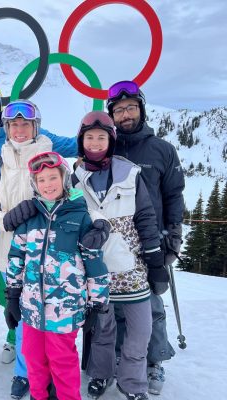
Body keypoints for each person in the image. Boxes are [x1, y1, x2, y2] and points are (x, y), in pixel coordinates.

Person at [0, 82, 78, 366]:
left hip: (43, 248)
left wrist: (104, 140)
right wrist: (3, 219)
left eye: (25, 124)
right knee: (8, 297)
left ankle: (37, 361)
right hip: (2, 235)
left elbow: (75, 152)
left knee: (40, 304)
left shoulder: (47, 152)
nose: (20, 129)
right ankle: (18, 341)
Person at [73, 111, 165, 400]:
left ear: (111, 141)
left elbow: (146, 217)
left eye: (102, 137)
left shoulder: (129, 173)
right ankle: (101, 375)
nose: (96, 143)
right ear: (82, 141)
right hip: (96, 271)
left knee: (139, 332)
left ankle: (131, 383)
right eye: (90, 137)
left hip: (131, 268)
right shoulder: (75, 178)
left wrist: (155, 259)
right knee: (102, 331)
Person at [5, 151, 110, 400]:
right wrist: (11, 294)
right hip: (31, 308)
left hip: (65, 311)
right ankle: (38, 396)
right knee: (33, 359)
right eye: (41, 180)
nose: (47, 185)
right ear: (34, 185)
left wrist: (98, 303)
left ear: (64, 179)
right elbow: (16, 256)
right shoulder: (29, 219)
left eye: (52, 177)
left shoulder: (80, 217)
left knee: (62, 363)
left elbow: (94, 263)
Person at [107, 81, 185, 395]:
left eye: (130, 108)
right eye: (119, 110)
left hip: (151, 243)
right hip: (115, 243)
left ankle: (154, 361)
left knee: (150, 307)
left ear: (141, 109)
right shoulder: (105, 148)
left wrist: (172, 238)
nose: (125, 115)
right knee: (115, 307)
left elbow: (175, 196)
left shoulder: (162, 150)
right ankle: (118, 357)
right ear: (111, 115)